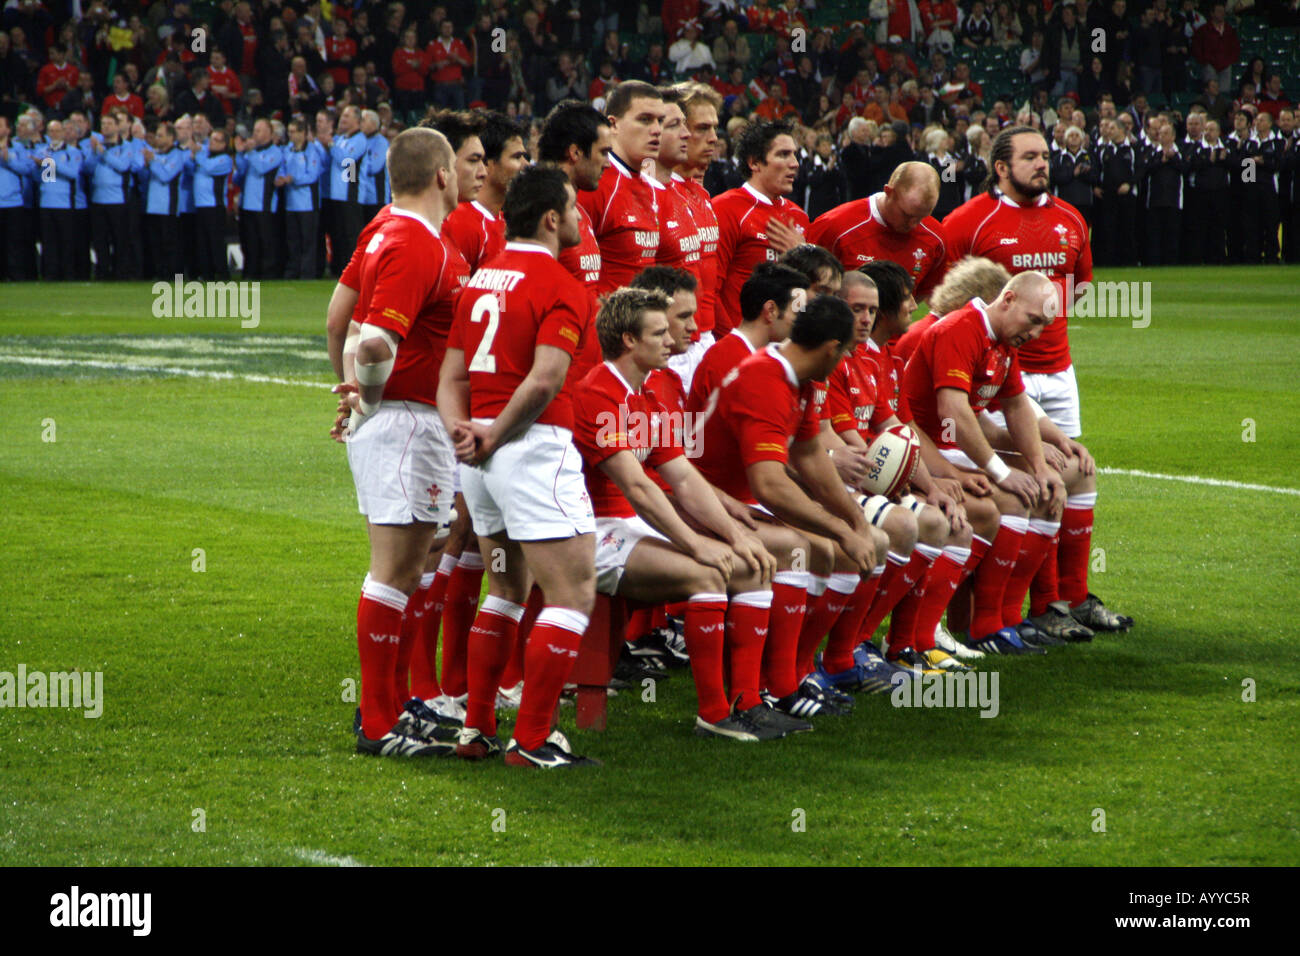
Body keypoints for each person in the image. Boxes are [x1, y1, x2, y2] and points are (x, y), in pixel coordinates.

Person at [436, 164, 601, 769]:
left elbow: (450, 377)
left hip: (480, 465)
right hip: (532, 452)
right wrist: (495, 434)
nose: (582, 220)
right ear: (552, 218)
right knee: (573, 592)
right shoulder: (561, 283)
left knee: (505, 587)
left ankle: (476, 727)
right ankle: (531, 740)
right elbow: (546, 379)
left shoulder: (481, 279)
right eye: (576, 210)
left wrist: (467, 434)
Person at [942, 124, 1130, 634]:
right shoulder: (969, 221)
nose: (1042, 164)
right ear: (1000, 167)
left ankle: (1072, 598)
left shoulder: (1070, 218)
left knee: (1070, 477)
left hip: (1058, 371)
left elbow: (1081, 287)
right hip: (998, 379)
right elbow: (940, 291)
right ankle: (1042, 606)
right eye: (1029, 157)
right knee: (1036, 479)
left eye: (1045, 155)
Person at [572, 286, 782, 740]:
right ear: (629, 340)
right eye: (659, 332)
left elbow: (684, 479)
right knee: (706, 573)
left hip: (625, 526)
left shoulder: (646, 394)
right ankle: (714, 714)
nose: (672, 341)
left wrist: (734, 534)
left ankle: (748, 701)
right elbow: (639, 489)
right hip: (589, 532)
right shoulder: (596, 393)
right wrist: (698, 544)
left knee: (751, 566)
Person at [690, 290, 884, 718]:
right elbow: (769, 485)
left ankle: (791, 677)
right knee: (798, 546)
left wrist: (856, 523)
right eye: (846, 351)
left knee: (849, 544)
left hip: (735, 500)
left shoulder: (799, 378)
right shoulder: (764, 378)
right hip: (701, 499)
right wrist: (841, 531)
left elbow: (812, 456)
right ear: (833, 349)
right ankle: (764, 689)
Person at [336, 126, 465, 757]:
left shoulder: (391, 231)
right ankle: (379, 721)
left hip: (409, 420)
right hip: (410, 420)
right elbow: (376, 340)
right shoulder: (416, 241)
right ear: (442, 174)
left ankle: (388, 711)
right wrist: (370, 395)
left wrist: (356, 393)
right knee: (395, 573)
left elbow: (348, 316)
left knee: (412, 569)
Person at [900, 272, 1067, 654]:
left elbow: (1016, 405)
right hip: (929, 453)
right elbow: (954, 413)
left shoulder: (1002, 341)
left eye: (1044, 325)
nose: (1036, 333)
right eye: (1034, 319)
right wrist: (1002, 473)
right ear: (1007, 299)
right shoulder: (962, 329)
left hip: (951, 449)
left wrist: (1039, 466)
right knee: (1012, 500)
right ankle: (970, 624)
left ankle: (1004, 619)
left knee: (1045, 489)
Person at [711, 119, 810, 335]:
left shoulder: (799, 217)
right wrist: (732, 345)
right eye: (783, 154)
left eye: (794, 154)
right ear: (754, 163)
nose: (794, 163)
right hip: (738, 346)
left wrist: (802, 259)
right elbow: (710, 291)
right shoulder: (726, 209)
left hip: (782, 354)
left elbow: (802, 295)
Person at [806, 160, 951, 304]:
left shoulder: (936, 238)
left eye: (922, 217)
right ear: (889, 192)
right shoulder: (835, 226)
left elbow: (925, 292)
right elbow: (803, 284)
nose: (913, 224)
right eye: (907, 215)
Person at [579, 80, 665, 295]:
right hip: (606, 325)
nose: (656, 130)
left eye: (660, 121)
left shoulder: (650, 187)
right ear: (613, 125)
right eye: (645, 120)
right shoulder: (595, 186)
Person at [443, 111, 526, 271]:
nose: (526, 165)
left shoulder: (503, 221)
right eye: (517, 157)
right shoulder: (461, 222)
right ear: (488, 164)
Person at [143, 121, 194, 279]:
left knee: (171, 244)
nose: (157, 139)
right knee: (156, 244)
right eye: (157, 135)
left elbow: (166, 176)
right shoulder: (154, 154)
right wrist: (146, 165)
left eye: (160, 135)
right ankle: (161, 274)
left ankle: (176, 276)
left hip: (169, 207)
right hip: (152, 206)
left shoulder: (177, 155)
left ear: (171, 137)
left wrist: (152, 162)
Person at [234, 118, 282, 279]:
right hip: (247, 204)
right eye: (254, 130)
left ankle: (268, 273)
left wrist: (250, 152)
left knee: (266, 242)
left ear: (269, 133)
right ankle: (250, 273)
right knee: (249, 242)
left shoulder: (275, 152)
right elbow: (240, 174)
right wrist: (240, 153)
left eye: (259, 130)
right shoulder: (251, 152)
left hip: (264, 205)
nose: (255, 134)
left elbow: (262, 168)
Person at [323, 105, 369, 275]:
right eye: (342, 115)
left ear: (357, 120)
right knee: (338, 234)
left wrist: (331, 145)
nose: (343, 118)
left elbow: (346, 160)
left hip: (351, 194)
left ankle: (354, 271)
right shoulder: (341, 138)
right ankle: (339, 269)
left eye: (347, 116)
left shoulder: (360, 140)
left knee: (351, 235)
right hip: (336, 195)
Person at [278, 118, 323, 279]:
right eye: (288, 131)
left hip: (307, 204)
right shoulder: (287, 150)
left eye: (293, 131)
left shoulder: (312, 151)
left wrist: (293, 179)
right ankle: (293, 271)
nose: (290, 135)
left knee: (308, 241)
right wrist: (281, 178)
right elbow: (281, 168)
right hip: (291, 203)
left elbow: (312, 175)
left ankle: (307, 273)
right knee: (293, 240)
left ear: (303, 133)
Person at [192, 128, 233, 280]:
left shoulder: (225, 159)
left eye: (216, 140)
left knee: (216, 242)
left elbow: (209, 167)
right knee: (202, 242)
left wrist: (198, 153)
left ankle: (222, 274)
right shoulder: (205, 157)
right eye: (211, 139)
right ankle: (207, 273)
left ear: (224, 145)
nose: (211, 143)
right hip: (201, 205)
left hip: (215, 206)